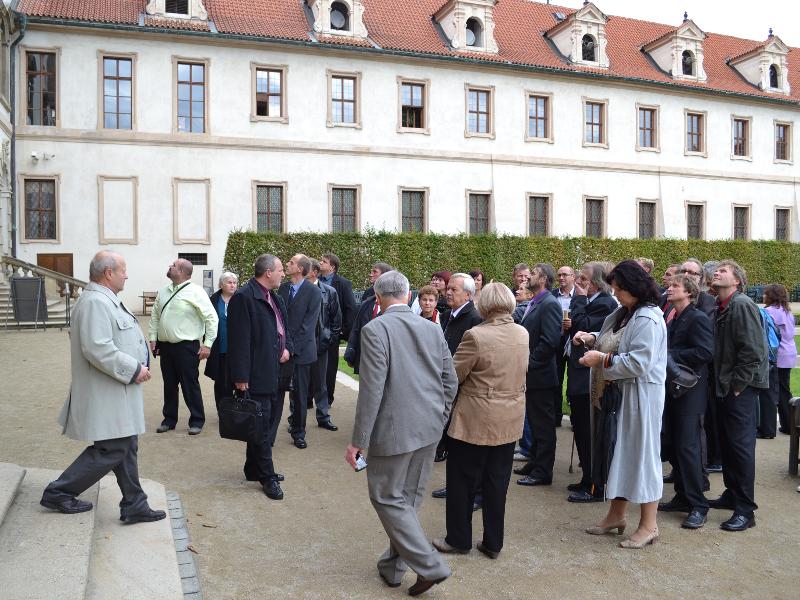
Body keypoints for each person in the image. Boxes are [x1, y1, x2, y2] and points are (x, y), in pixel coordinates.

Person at [345, 270, 457, 595]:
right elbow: (449, 380)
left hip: (395, 432)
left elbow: (371, 390)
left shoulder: (375, 328)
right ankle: (393, 567)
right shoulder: (430, 328)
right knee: (405, 500)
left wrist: (358, 442)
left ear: (377, 298)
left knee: (387, 497)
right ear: (408, 296)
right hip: (429, 427)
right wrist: (440, 416)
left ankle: (430, 565)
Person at [41, 251, 166, 524]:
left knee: (126, 445)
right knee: (113, 449)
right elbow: (97, 348)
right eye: (123, 270)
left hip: (115, 391)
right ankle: (59, 491)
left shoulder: (105, 300)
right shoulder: (96, 302)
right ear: (109, 273)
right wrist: (134, 369)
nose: (127, 275)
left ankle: (135, 504)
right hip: (108, 392)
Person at [432, 283, 528, 559]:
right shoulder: (522, 333)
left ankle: (459, 539)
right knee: (497, 482)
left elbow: (453, 375)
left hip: (475, 418)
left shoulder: (476, 336)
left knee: (462, 481)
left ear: (483, 305)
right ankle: (493, 542)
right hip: (508, 417)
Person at [575, 259, 666, 548]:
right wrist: (591, 339)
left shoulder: (649, 318)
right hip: (618, 397)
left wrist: (601, 360)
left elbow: (639, 362)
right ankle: (616, 515)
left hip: (641, 398)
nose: (615, 294)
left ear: (634, 287)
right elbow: (610, 342)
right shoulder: (623, 312)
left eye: (618, 289)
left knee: (642, 456)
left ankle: (649, 525)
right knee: (619, 454)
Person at [707, 260, 768, 532]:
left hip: (737, 389)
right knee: (730, 445)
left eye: (724, 270)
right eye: (716, 270)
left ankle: (746, 509)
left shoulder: (741, 304)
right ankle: (732, 495)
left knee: (740, 448)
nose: (717, 272)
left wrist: (737, 386)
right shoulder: (723, 306)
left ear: (737, 280)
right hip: (726, 386)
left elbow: (753, 351)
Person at [228, 254, 292, 500]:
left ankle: (252, 468)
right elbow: (239, 342)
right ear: (267, 273)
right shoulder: (244, 298)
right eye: (279, 270)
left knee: (259, 423)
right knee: (263, 427)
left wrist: (288, 347)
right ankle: (267, 476)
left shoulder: (272, 297)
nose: (282, 274)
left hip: (273, 370)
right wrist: (241, 376)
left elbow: (284, 328)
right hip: (255, 374)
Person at [658, 274, 714, 529]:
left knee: (688, 449)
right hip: (675, 390)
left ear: (689, 292)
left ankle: (698, 505)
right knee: (676, 446)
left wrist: (671, 354)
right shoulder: (675, 316)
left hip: (690, 393)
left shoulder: (697, 318)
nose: (669, 289)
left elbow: (704, 352)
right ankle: (682, 496)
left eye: (675, 286)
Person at [564, 262, 617, 503]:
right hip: (578, 373)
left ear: (595, 282)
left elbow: (582, 324)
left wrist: (579, 299)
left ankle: (595, 484)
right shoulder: (591, 301)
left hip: (589, 377)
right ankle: (587, 477)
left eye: (583, 279)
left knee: (590, 432)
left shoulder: (604, 302)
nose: (579, 283)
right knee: (581, 429)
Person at [150, 258, 218, 435]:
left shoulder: (196, 292)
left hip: (187, 348)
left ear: (181, 272)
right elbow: (155, 316)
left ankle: (197, 420)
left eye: (172, 265)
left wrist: (208, 345)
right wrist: (153, 338)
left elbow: (211, 319)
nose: (169, 266)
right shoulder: (163, 291)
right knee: (169, 385)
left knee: (190, 384)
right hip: (166, 347)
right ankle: (169, 419)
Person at [515, 263, 562, 487]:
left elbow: (550, 341)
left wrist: (529, 364)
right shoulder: (535, 301)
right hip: (533, 376)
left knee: (543, 426)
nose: (528, 278)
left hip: (541, 376)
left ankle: (543, 471)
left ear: (543, 279)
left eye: (532, 274)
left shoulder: (549, 303)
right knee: (534, 422)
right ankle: (534, 462)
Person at [435, 273, 482, 466]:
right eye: (448, 289)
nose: (448, 293)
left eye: (454, 289)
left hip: (460, 383)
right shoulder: (446, 315)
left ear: (468, 295)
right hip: (443, 378)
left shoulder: (474, 319)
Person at [278, 254, 322, 449]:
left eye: (291, 263)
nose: (288, 264)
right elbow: (279, 319)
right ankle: (270, 431)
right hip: (282, 350)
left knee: (300, 393)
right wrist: (282, 346)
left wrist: (290, 348)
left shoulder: (313, 292)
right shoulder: (284, 288)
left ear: (301, 269)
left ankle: (298, 432)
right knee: (278, 390)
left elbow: (308, 326)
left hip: (302, 351)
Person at [307, 258, 342, 431]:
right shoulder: (293, 290)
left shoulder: (330, 292)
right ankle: (295, 420)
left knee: (321, 384)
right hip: (300, 346)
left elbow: (336, 320)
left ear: (314, 272)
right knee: (298, 385)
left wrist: (328, 340)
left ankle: (323, 417)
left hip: (321, 345)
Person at [319, 252, 357, 408]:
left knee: (330, 367)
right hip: (315, 332)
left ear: (332, 267)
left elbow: (350, 308)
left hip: (333, 332)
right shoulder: (315, 281)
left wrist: (343, 330)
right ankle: (309, 398)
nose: (320, 263)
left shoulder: (343, 283)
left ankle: (327, 399)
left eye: (323, 261)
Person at [345, 265, 394, 374]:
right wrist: (351, 352)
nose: (370, 274)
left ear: (384, 276)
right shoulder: (367, 300)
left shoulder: (394, 303)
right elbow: (357, 327)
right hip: (364, 353)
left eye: (374, 272)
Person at [762, 284, 797, 436]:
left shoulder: (769, 312)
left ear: (771, 296)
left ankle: (770, 428)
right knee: (784, 390)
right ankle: (789, 424)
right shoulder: (787, 311)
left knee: (772, 393)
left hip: (778, 355)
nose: (763, 296)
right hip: (790, 353)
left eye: (765, 294)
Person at [204, 271, 238, 411]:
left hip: (236, 349)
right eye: (229, 282)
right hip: (219, 348)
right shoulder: (212, 300)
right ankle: (223, 410)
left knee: (236, 379)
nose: (232, 285)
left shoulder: (241, 299)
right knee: (220, 381)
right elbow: (206, 323)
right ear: (221, 284)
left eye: (234, 283)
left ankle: (237, 408)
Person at [553, 266, 576, 427]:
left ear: (573, 277)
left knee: (574, 380)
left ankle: (576, 418)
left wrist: (573, 323)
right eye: (559, 275)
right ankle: (556, 416)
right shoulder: (553, 295)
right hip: (557, 341)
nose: (561, 278)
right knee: (557, 378)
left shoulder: (581, 295)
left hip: (574, 340)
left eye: (565, 275)